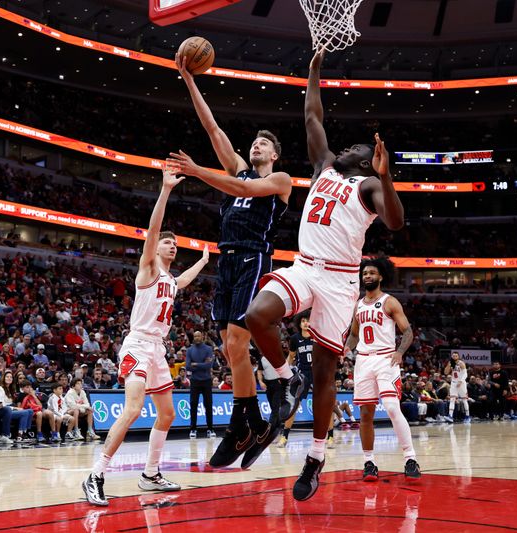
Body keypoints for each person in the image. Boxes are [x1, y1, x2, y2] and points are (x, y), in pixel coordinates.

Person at [243, 49, 404, 501]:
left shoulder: (369, 185)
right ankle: (283, 375)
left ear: (365, 162)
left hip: (339, 281)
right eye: (349, 146)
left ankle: (315, 457)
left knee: (326, 377)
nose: (349, 146)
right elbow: (313, 116)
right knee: (256, 315)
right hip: (304, 266)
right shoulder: (324, 167)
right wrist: (313, 70)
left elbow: (395, 222)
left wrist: (386, 175)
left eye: (356, 148)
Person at [169, 53, 297, 471]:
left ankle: (245, 423)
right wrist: (187, 78)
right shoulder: (239, 169)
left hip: (255, 259)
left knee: (238, 342)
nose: (256, 145)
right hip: (227, 260)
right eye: (254, 142)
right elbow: (211, 126)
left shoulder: (279, 181)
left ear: (275, 155)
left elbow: (230, 182)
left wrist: (196, 170)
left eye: (265, 143)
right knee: (229, 346)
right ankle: (252, 423)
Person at [83, 168, 209, 507]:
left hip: (157, 350)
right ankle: (95, 474)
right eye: (168, 242)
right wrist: (166, 190)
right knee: (135, 409)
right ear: (157, 249)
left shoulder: (169, 279)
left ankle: (150, 474)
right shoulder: (149, 269)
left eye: (174, 243)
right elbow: (152, 231)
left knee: (167, 414)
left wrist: (204, 260)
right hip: (138, 344)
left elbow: (182, 282)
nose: (171, 245)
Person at [344, 259, 420, 484]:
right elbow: (355, 334)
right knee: (365, 414)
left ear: (381, 276)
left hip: (386, 359)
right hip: (363, 362)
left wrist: (399, 352)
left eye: (372, 273)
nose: (367, 276)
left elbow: (407, 332)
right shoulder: (358, 305)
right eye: (365, 273)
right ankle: (369, 462)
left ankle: (410, 459)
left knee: (391, 407)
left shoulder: (390, 302)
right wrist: (346, 348)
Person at [277, 312, 314, 447]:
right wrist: (285, 373)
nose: (305, 323)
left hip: (317, 373)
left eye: (308, 320)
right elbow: (291, 357)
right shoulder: (294, 338)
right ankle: (284, 436)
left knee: (326, 405)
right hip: (302, 374)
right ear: (299, 323)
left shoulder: (317, 338)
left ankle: (330, 436)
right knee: (294, 406)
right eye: (303, 320)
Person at [187, 330, 215, 439]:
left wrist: (196, 364)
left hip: (207, 380)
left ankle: (210, 429)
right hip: (195, 381)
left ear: (202, 336)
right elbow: (188, 366)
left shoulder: (208, 349)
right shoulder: (190, 350)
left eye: (198, 335)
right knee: (193, 405)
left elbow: (209, 365)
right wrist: (202, 364)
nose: (197, 337)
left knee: (208, 405)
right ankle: (193, 429)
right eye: (195, 336)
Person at [444, 351, 470, 423]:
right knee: (452, 399)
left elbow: (465, 374)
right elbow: (445, 373)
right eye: (453, 356)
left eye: (456, 356)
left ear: (458, 356)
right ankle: (450, 416)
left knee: (464, 400)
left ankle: (467, 416)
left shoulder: (461, 363)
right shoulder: (450, 363)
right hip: (453, 383)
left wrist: (461, 381)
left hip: (461, 383)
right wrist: (448, 366)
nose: (454, 357)